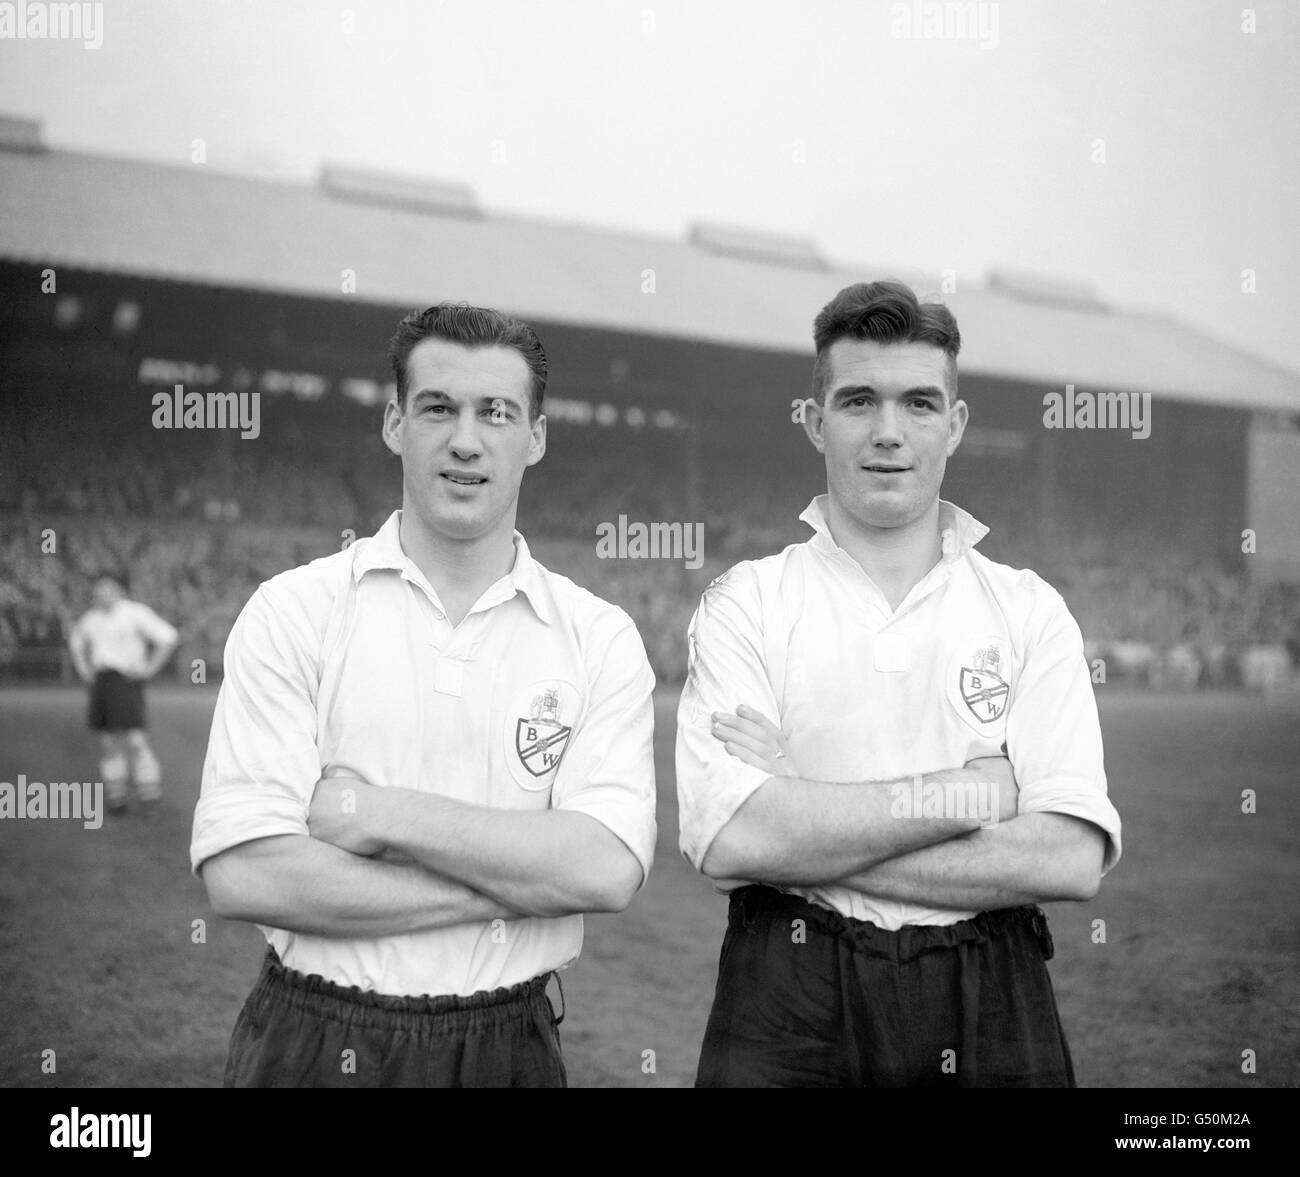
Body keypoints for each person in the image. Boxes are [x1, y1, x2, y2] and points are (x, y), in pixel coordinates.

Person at [192, 303, 657, 1088]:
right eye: (438, 407)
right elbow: (246, 873)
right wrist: (518, 884)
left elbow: (604, 868)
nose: (465, 439)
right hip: (312, 1035)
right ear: (394, 423)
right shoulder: (294, 609)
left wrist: (374, 814)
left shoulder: (598, 636)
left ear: (535, 436)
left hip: (508, 1041)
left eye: (497, 413)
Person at [676, 280, 1122, 1087]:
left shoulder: (1027, 609)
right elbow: (732, 838)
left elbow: (1068, 857)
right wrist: (967, 792)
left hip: (990, 980)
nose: (889, 432)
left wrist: (803, 805)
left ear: (953, 425)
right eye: (858, 402)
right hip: (791, 979)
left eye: (918, 403)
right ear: (815, 422)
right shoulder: (747, 600)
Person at [68, 573, 178, 814]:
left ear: (119, 589)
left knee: (136, 740)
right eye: (98, 588)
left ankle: (150, 795)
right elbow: (76, 644)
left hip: (126, 681)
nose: (101, 592)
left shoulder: (135, 613)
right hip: (102, 682)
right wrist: (85, 671)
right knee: (108, 742)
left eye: (106, 587)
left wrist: (149, 670)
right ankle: (116, 797)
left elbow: (168, 638)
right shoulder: (91, 618)